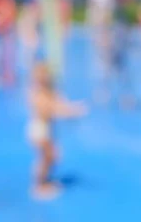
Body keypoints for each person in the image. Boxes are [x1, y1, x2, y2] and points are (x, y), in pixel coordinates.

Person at [27, 60, 87, 200]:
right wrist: (72, 111)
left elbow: (59, 103)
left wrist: (72, 107)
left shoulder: (48, 92)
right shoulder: (38, 95)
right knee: (47, 158)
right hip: (39, 131)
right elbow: (52, 110)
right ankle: (39, 185)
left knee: (50, 157)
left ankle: (44, 180)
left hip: (46, 130)